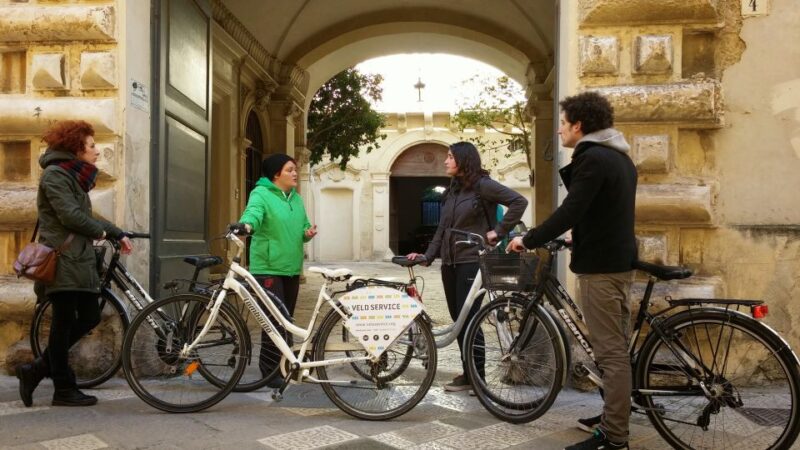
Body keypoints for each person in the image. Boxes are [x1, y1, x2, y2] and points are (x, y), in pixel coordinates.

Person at [506, 92, 637, 450]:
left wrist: (529, 239)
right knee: (615, 348)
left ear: (579, 125)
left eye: (562, 124)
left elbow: (572, 209)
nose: (560, 131)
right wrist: (572, 238)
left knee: (610, 352)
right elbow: (602, 213)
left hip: (601, 268)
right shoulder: (619, 158)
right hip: (618, 262)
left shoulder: (593, 159)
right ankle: (615, 414)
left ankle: (614, 438)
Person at [16, 120, 134, 407]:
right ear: (76, 148)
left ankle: (35, 370)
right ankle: (63, 389)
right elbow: (70, 216)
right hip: (62, 259)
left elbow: (87, 214)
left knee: (90, 316)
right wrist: (103, 233)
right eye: (92, 146)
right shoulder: (55, 176)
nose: (97, 151)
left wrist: (116, 232)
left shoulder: (73, 177)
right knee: (63, 322)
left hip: (78, 260)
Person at [407, 141, 528, 392]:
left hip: (472, 261)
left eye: (450, 157)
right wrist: (427, 256)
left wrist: (498, 231)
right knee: (458, 319)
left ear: (463, 160)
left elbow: (518, 202)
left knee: (471, 320)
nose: (445, 161)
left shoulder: (483, 185)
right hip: (450, 262)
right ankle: (468, 373)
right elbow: (443, 228)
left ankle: (478, 378)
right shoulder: (453, 191)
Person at [237, 153, 317, 388]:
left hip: (291, 268)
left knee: (286, 320)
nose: (295, 173)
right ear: (276, 174)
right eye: (290, 169)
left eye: (295, 169)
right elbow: (253, 215)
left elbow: (302, 227)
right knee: (274, 321)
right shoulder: (260, 194)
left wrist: (307, 233)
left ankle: (284, 366)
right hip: (268, 268)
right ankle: (271, 373)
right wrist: (247, 224)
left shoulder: (296, 199)